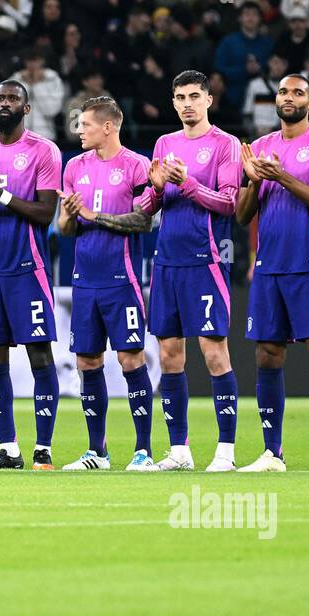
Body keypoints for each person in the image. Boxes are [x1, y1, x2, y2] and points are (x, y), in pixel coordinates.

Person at [103, 71, 242, 472]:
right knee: (168, 354)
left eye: (195, 96)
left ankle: (226, 452)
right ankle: (179, 450)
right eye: (180, 97)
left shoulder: (226, 145)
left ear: (209, 101)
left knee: (215, 353)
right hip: (166, 262)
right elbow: (147, 207)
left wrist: (189, 183)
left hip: (205, 262)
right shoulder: (165, 143)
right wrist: (159, 188)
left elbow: (230, 204)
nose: (187, 104)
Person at [235, 74, 309, 472]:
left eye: (298, 92)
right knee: (267, 353)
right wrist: (252, 180)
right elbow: (242, 214)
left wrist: (280, 175)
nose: (288, 97)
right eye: (283, 91)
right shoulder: (261, 147)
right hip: (269, 268)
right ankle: (272, 453)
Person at [0, 79, 61, 470]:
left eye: (12, 99)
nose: (4, 103)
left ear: (26, 108)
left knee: (38, 353)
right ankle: (9, 449)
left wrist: (0, 195)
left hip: (29, 269)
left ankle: (43, 449)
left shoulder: (44, 151)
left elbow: (45, 213)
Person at [56, 96, 151, 470]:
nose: (79, 130)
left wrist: (94, 215)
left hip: (121, 280)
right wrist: (67, 216)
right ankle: (98, 451)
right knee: (87, 361)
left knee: (130, 359)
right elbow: (65, 229)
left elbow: (142, 220)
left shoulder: (136, 166)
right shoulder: (74, 166)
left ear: (108, 127)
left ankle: (143, 450)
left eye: (86, 125)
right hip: (84, 282)